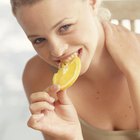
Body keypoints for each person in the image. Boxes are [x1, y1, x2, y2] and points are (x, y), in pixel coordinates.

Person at [10, 0, 140, 139]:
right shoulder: (38, 76)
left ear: (92, 3)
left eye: (65, 27)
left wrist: (135, 72)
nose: (57, 51)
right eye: (39, 40)